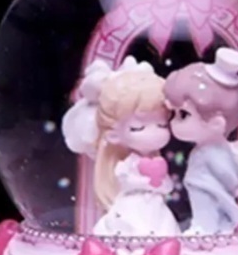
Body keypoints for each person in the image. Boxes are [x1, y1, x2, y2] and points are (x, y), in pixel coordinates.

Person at [62, 57, 180, 237]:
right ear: (113, 135)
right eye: (137, 128)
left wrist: (159, 184)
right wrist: (148, 182)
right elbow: (126, 180)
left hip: (156, 206)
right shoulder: (128, 164)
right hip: (133, 205)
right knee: (133, 228)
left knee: (163, 228)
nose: (155, 134)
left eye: (162, 125)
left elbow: (166, 185)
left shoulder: (156, 161)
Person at [164, 48, 238, 235]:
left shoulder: (214, 151)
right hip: (200, 187)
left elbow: (226, 173)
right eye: (173, 113)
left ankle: (206, 229)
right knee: (203, 207)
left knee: (207, 209)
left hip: (208, 189)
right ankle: (205, 227)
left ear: (216, 124)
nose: (173, 122)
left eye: (183, 115)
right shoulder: (206, 149)